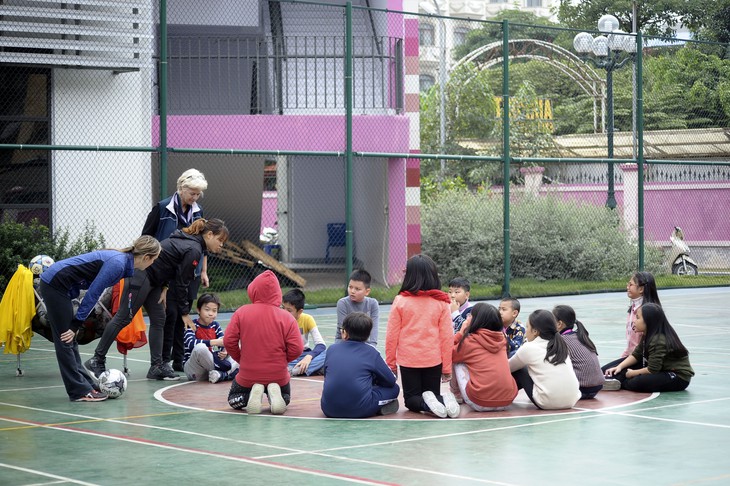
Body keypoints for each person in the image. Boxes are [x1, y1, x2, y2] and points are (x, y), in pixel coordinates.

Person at [85, 219, 228, 381]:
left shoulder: (192, 244)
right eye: (220, 240)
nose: (221, 245)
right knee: (124, 317)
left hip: (155, 281)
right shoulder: (193, 248)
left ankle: (156, 366)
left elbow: (170, 263)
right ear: (209, 235)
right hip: (141, 275)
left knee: (160, 318)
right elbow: (182, 283)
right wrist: (185, 313)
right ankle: (97, 360)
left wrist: (165, 286)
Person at [39, 236, 161, 402]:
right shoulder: (118, 264)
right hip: (55, 284)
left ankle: (87, 385)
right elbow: (93, 294)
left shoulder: (123, 262)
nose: (153, 263)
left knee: (69, 339)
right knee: (65, 339)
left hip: (61, 286)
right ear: (146, 257)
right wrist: (75, 324)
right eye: (154, 259)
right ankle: (78, 392)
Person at [142, 168, 209, 372]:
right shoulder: (163, 208)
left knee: (184, 314)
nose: (195, 197)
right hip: (167, 272)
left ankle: (179, 359)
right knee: (170, 314)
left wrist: (203, 271)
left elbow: (203, 244)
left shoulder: (198, 212)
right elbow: (146, 237)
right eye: (192, 193)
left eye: (198, 194)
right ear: (181, 188)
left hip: (191, 272)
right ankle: (164, 360)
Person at [385, 254, 460, 419]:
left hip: (408, 361)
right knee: (431, 394)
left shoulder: (400, 301)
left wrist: (391, 365)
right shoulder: (442, 302)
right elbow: (447, 337)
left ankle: (430, 404)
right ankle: (444, 399)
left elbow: (392, 336)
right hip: (433, 360)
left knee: (412, 401)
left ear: (410, 276)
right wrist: (446, 367)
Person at [224, 270, 303, 415]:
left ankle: (250, 396)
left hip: (248, 374)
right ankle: (275, 396)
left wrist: (241, 358)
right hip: (278, 374)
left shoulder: (242, 312)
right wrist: (283, 360)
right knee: (285, 398)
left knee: (233, 399)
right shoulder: (287, 317)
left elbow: (229, 341)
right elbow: (297, 348)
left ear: (253, 290)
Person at [321, 313, 400, 418]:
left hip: (328, 408)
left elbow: (327, 375)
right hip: (359, 410)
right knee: (395, 388)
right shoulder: (371, 352)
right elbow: (391, 381)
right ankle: (377, 407)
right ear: (368, 335)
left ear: (344, 333)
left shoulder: (332, 349)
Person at [604, 303, 694, 392]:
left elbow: (652, 370)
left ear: (649, 321)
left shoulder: (658, 340)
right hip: (659, 369)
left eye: (638, 318)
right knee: (607, 370)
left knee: (637, 382)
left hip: (677, 376)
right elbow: (636, 355)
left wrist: (632, 373)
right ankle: (616, 380)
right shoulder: (647, 334)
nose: (634, 321)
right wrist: (619, 367)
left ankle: (620, 383)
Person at [451, 303, 518, 412]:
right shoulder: (502, 339)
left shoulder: (470, 341)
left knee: (458, 361)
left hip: (479, 402)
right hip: (507, 401)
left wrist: (460, 334)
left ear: (477, 320)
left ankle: (456, 395)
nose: (468, 318)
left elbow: (448, 354)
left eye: (470, 316)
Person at [508, 309, 581, 410]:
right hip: (572, 400)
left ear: (535, 331)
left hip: (548, 402)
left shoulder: (529, 348)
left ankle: (500, 396)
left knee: (520, 369)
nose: (525, 332)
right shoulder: (560, 345)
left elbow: (507, 368)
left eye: (527, 327)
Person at [602, 271, 662, 373]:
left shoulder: (647, 313)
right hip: (631, 357)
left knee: (607, 375)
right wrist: (621, 361)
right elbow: (631, 345)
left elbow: (644, 346)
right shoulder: (633, 309)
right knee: (604, 372)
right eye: (627, 284)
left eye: (631, 284)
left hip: (641, 360)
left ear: (641, 289)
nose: (627, 287)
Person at [182, 293, 239, 383]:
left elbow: (223, 342)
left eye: (214, 310)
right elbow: (191, 344)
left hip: (211, 368)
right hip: (195, 369)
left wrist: (225, 351)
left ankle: (219, 375)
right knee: (200, 348)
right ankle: (225, 374)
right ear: (198, 310)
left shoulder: (215, 325)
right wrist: (215, 342)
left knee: (239, 348)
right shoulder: (191, 325)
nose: (211, 314)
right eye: (207, 310)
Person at [552, 305, 606, 399]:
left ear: (559, 324)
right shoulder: (580, 336)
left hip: (581, 389)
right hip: (596, 387)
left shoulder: (561, 340)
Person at [282, 289, 327, 376]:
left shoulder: (307, 319)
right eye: (282, 308)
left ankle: (296, 371)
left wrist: (308, 357)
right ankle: (309, 369)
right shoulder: (279, 320)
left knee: (329, 353)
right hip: (288, 357)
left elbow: (321, 345)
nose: (284, 312)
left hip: (304, 355)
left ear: (300, 311)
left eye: (289, 310)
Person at [335, 269, 379, 346]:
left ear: (367, 291)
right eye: (350, 287)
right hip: (345, 343)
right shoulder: (342, 303)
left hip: (365, 343)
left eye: (357, 289)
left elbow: (374, 328)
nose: (352, 291)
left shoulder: (373, 304)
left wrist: (372, 345)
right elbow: (343, 329)